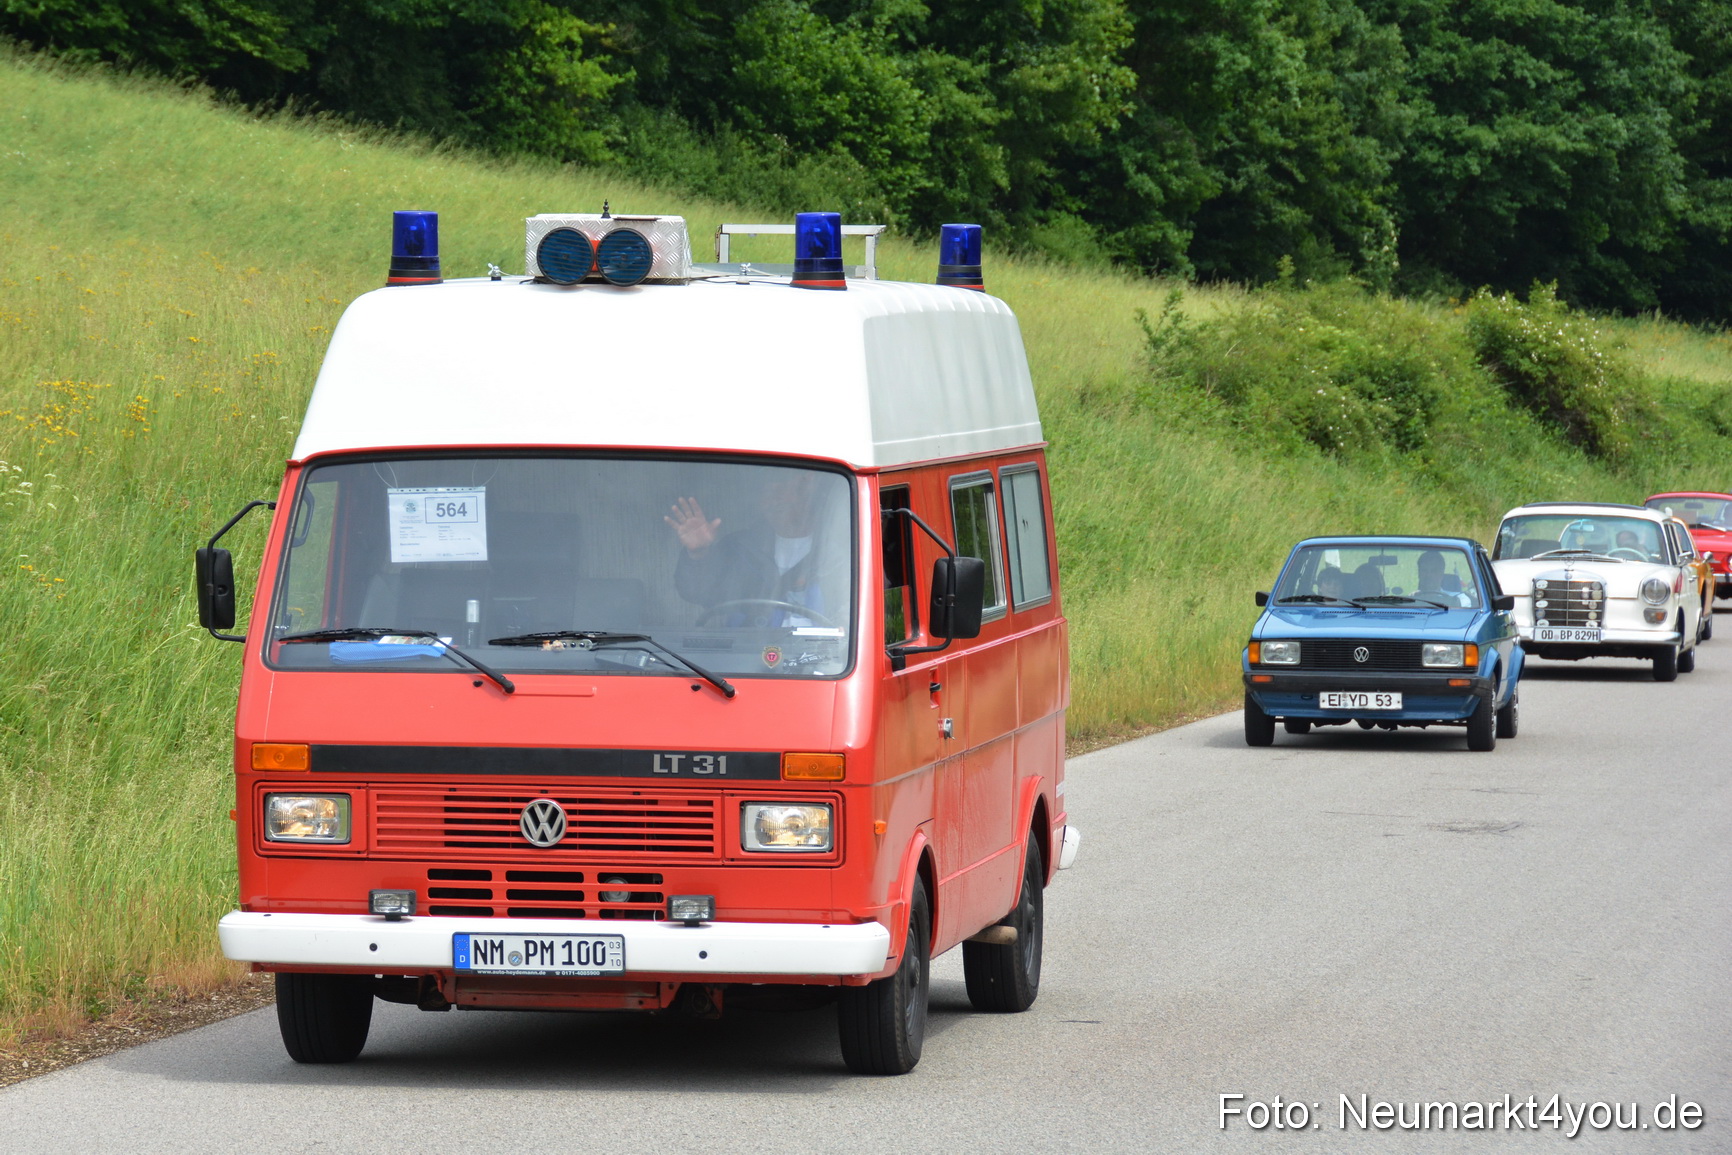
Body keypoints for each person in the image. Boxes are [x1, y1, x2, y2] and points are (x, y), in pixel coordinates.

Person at [664, 471, 842, 627]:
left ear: (808, 493)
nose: (772, 502)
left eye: (781, 490)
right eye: (766, 493)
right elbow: (698, 593)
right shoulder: (740, 547)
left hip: (823, 661)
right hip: (746, 659)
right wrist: (699, 553)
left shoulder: (844, 548)